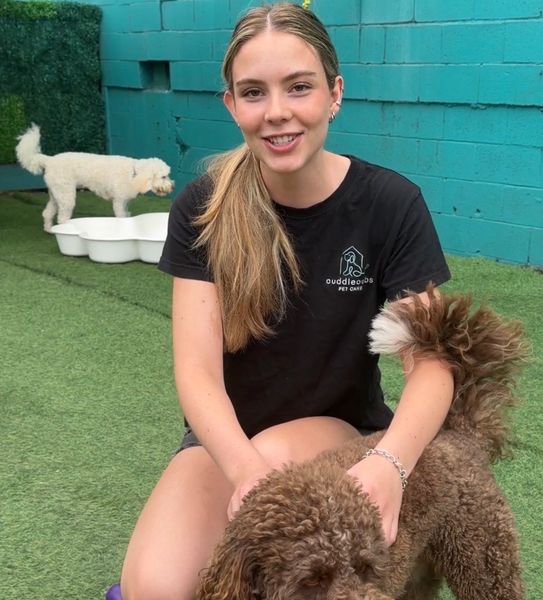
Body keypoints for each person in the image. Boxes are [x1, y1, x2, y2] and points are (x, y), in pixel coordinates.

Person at [119, 4, 454, 599]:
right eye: (254, 92)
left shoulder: (391, 204)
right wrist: (243, 470)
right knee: (153, 588)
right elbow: (197, 372)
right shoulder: (203, 205)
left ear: (334, 93)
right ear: (230, 104)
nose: (276, 112)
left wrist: (391, 465)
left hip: (344, 433)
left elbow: (431, 365)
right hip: (227, 440)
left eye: (299, 86)